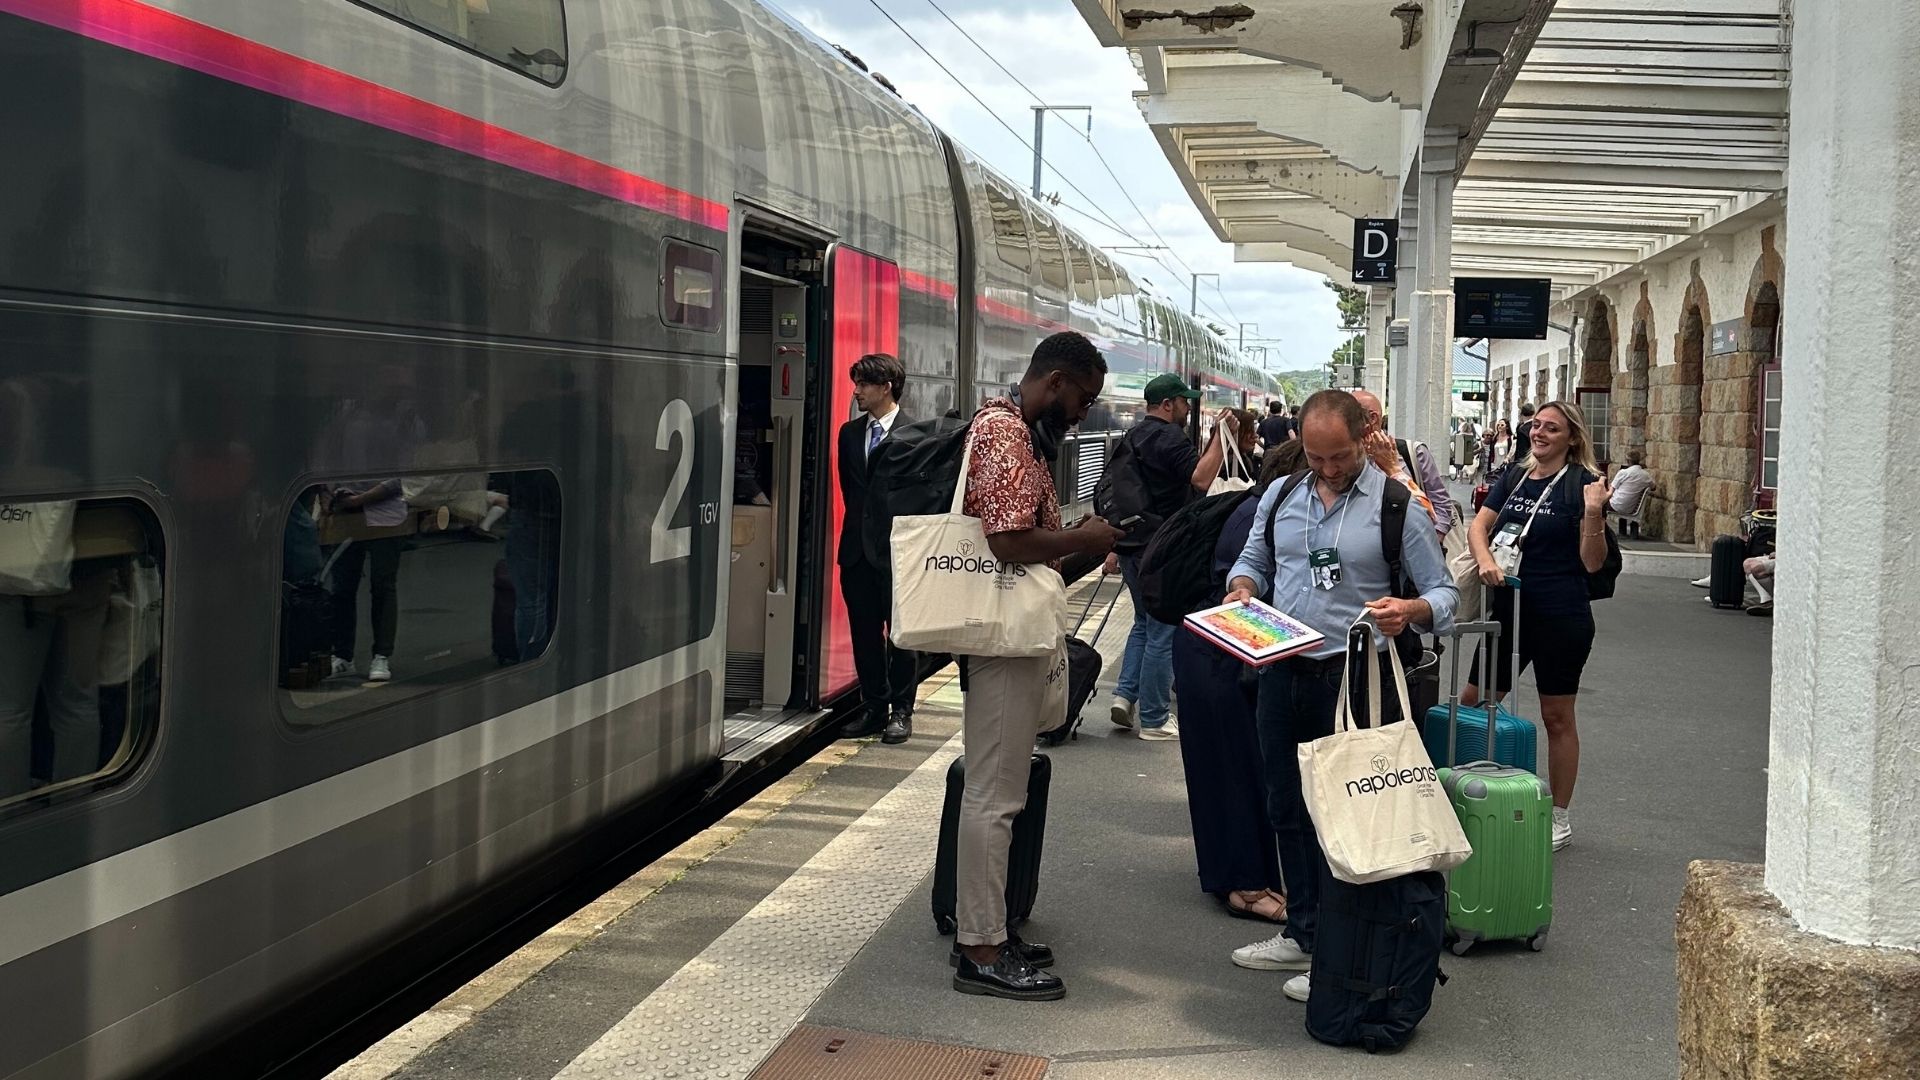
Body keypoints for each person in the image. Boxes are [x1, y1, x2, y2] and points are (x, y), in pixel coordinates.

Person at [1218, 390, 1458, 1005]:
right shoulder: (1281, 494)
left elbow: (1444, 594)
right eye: (1317, 457)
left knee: (1344, 818)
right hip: (1282, 670)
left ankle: (1337, 947)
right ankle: (1302, 932)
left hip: (1355, 681)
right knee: (1286, 807)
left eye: (1341, 457)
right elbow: (1254, 559)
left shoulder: (1397, 505)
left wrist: (1410, 610)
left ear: (1364, 436)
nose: (1328, 470)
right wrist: (1242, 589)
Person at [951, 330, 1122, 1001]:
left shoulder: (1020, 432)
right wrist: (1084, 534)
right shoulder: (1003, 433)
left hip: (1011, 637)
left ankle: (989, 927)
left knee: (1003, 793)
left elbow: (1036, 557)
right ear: (1054, 381)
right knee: (993, 797)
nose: (1084, 413)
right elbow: (1009, 540)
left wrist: (1098, 546)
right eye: (1082, 399)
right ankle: (981, 950)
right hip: (1000, 645)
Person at [1462, 400, 1610, 853]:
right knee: (1474, 701)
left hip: (1560, 614)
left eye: (1551, 428)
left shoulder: (1584, 487)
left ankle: (1558, 815)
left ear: (1571, 438)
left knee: (1556, 716)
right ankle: (1468, 795)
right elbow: (1480, 527)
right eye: (1536, 426)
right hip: (1509, 607)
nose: (1539, 433)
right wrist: (1486, 561)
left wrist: (1592, 515)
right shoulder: (1515, 475)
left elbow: (1592, 564)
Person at [1170, 441, 1304, 925]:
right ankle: (1245, 885)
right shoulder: (1262, 518)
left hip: (1217, 651)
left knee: (1234, 769)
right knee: (1236, 771)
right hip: (1223, 656)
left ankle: (1245, 876)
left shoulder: (1251, 506)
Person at [1104, 372, 1226, 742]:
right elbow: (1201, 480)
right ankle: (1155, 719)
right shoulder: (1168, 436)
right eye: (1184, 402)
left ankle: (1125, 696)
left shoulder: (1135, 435)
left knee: (1143, 623)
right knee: (1163, 629)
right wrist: (1222, 437)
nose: (1189, 408)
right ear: (1168, 404)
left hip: (1131, 544)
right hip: (1161, 547)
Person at [835, 353, 917, 744]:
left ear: (886, 387)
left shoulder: (916, 433)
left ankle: (902, 711)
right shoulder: (849, 434)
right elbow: (851, 492)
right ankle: (873, 707)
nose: (857, 392)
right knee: (864, 634)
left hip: (898, 552)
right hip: (856, 553)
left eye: (864, 384)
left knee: (900, 635)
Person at [1350, 389, 1454, 535]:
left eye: (1347, 416)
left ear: (1372, 418)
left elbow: (1440, 505)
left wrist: (1434, 541)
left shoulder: (1413, 453)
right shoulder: (1345, 459)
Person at [1608, 450, 1656, 538]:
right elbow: (1653, 487)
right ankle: (1630, 533)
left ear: (1628, 461)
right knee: (1626, 500)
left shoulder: (1623, 472)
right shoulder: (1646, 475)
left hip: (1616, 505)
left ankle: (1611, 533)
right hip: (1632, 507)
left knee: (1601, 504)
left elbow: (1611, 489)